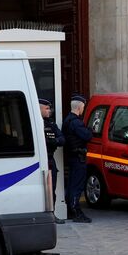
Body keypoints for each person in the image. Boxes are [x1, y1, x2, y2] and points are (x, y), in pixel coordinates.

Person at [62, 93, 94, 222]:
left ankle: (70, 210)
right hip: (78, 157)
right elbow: (87, 136)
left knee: (71, 185)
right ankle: (76, 212)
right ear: (80, 107)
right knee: (77, 186)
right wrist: (90, 129)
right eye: (83, 107)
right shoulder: (75, 122)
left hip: (72, 156)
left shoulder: (67, 120)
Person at [39, 98, 66, 224]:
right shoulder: (35, 123)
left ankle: (52, 215)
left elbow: (62, 139)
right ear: (40, 108)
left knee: (52, 189)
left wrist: (53, 142)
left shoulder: (51, 124)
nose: (49, 111)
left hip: (50, 160)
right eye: (47, 108)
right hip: (38, 161)